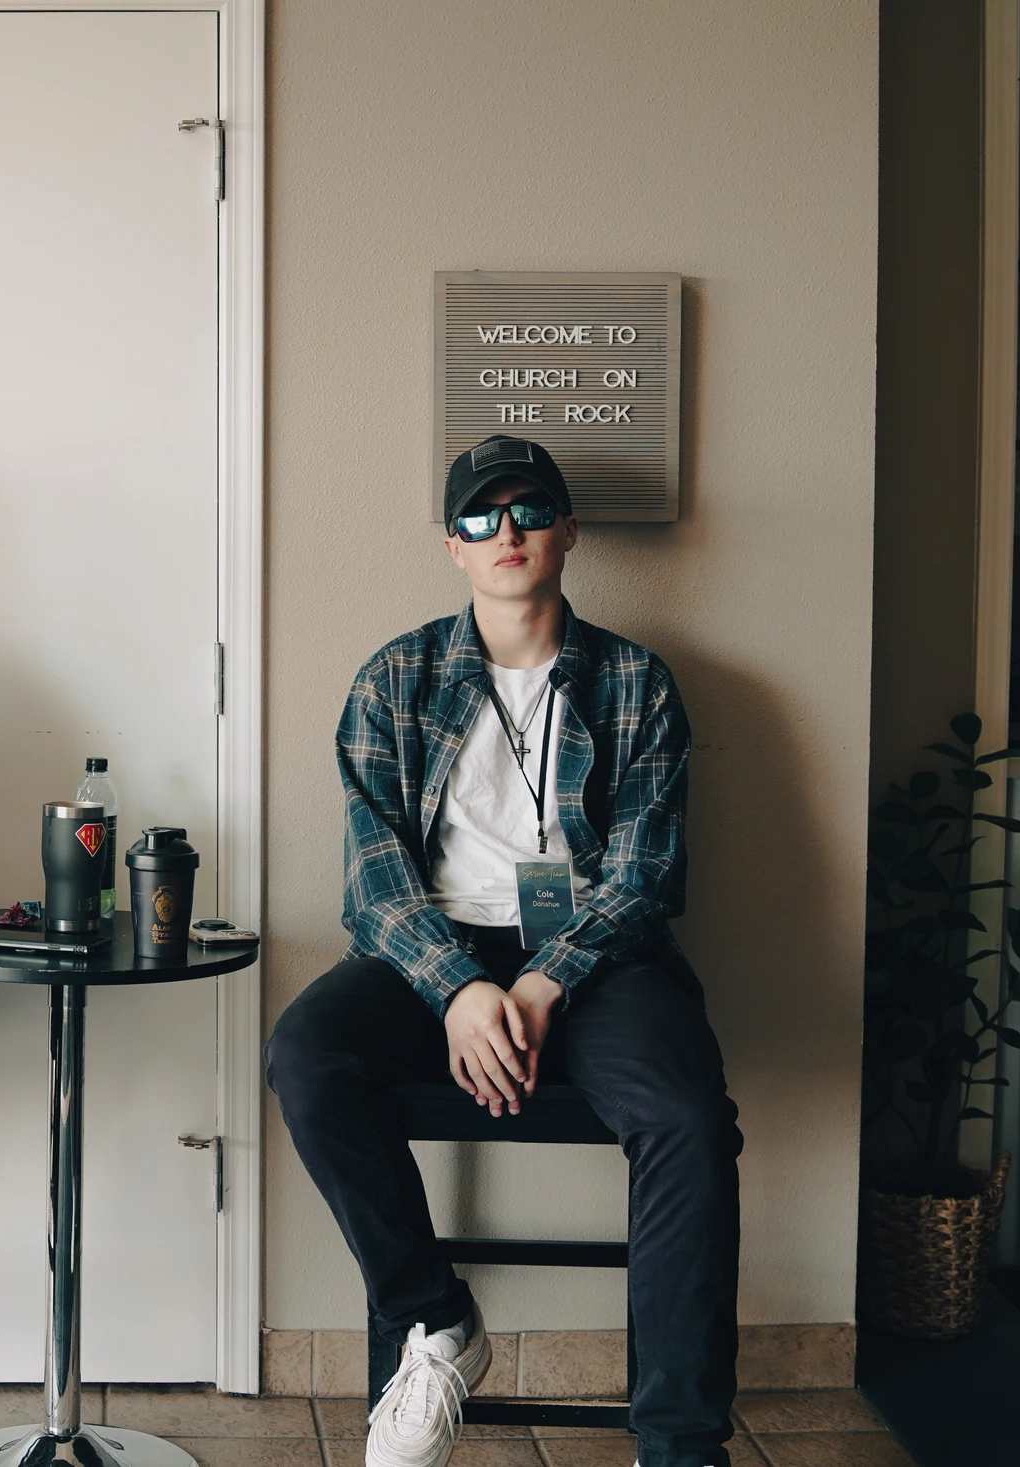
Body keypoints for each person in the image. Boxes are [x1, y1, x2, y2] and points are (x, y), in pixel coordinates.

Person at [267, 435, 743, 1467]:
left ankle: (677, 1444)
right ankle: (433, 1321)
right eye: (480, 518)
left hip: (597, 959)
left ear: (566, 530)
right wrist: (456, 990)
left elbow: (644, 873)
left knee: (688, 1118)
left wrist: (539, 980)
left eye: (528, 511)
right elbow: (371, 874)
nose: (506, 533)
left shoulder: (634, 682)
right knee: (305, 1054)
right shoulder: (396, 676)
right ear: (452, 546)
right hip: (434, 947)